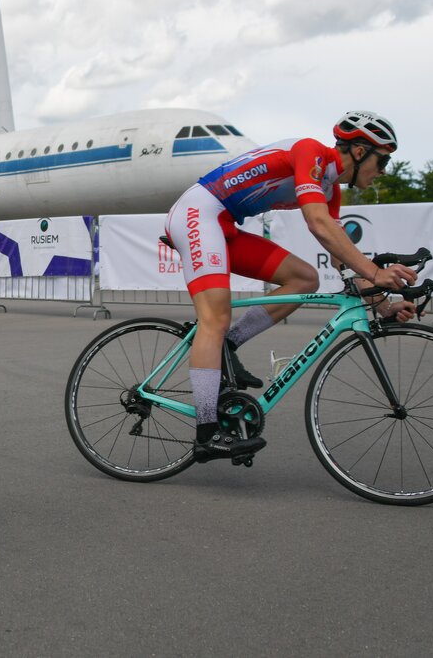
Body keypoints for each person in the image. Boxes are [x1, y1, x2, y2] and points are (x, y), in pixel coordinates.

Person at [163, 110, 417, 464]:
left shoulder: (331, 192)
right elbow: (317, 224)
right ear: (360, 152)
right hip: (198, 212)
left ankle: (229, 346)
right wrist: (376, 272)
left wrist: (384, 304)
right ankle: (207, 433)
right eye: (383, 160)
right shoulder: (311, 153)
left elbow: (341, 256)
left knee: (304, 278)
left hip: (225, 223)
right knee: (214, 319)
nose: (385, 170)